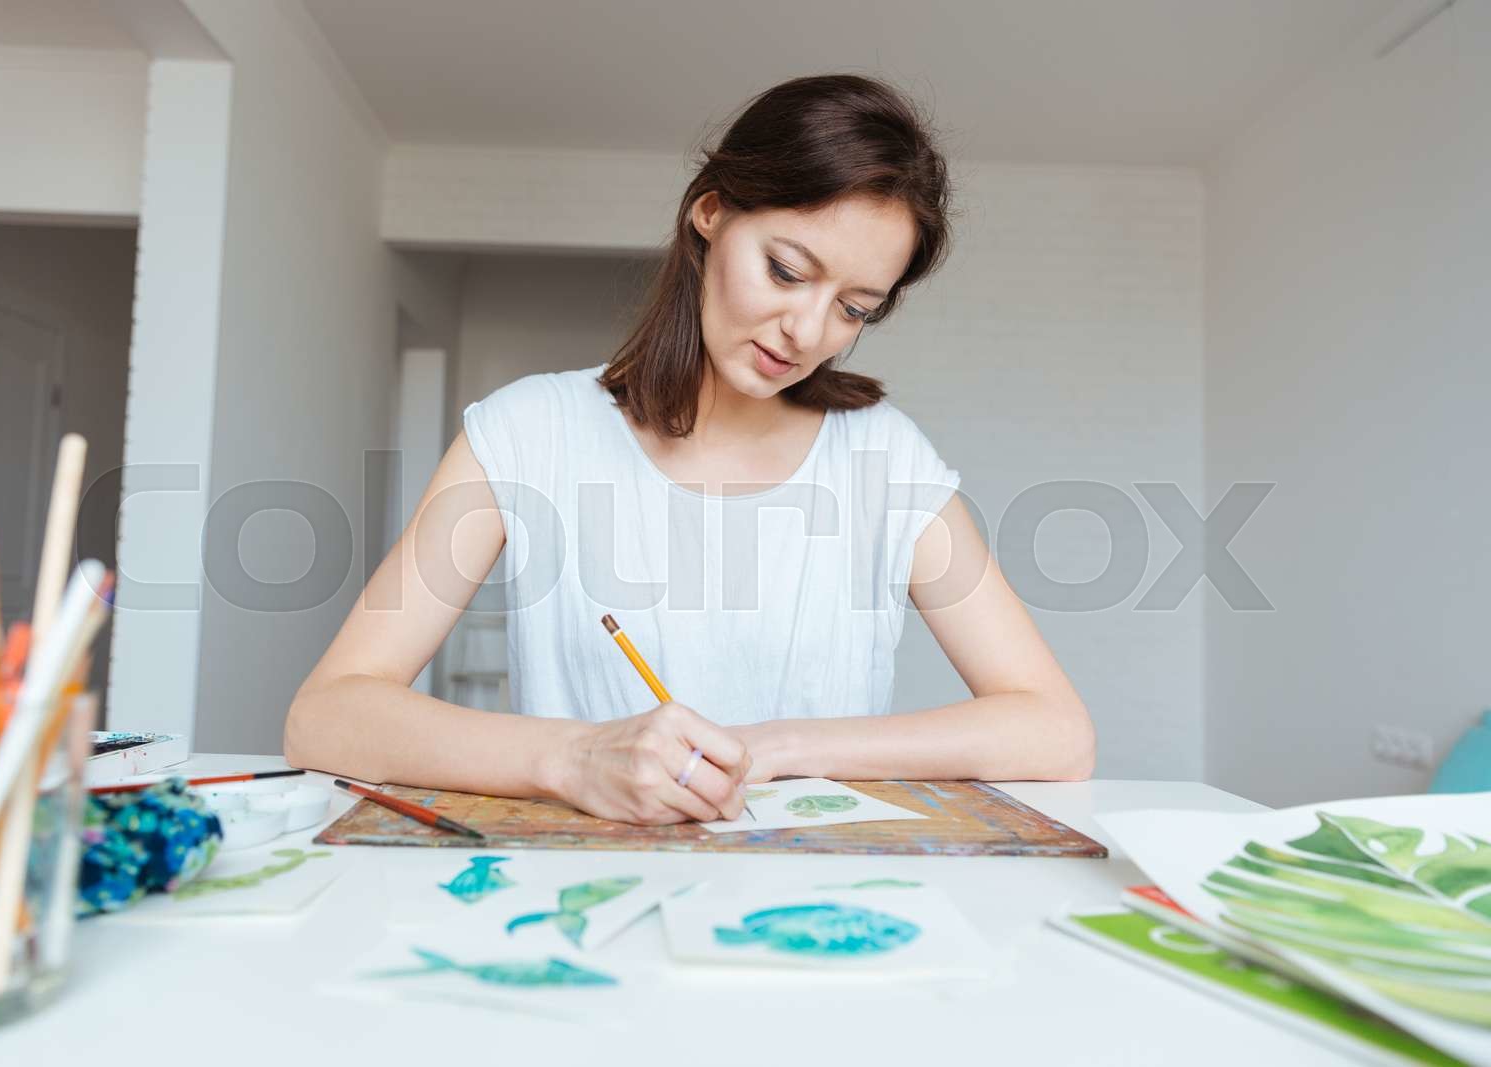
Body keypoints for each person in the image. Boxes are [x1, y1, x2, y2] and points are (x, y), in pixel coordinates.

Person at [286, 74, 1094, 825]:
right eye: (785, 270)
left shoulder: (885, 459)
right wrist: (571, 758)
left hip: (806, 919)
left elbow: (1055, 731)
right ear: (710, 212)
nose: (809, 333)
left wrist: (783, 747)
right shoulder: (530, 432)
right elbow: (326, 717)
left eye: (854, 308)